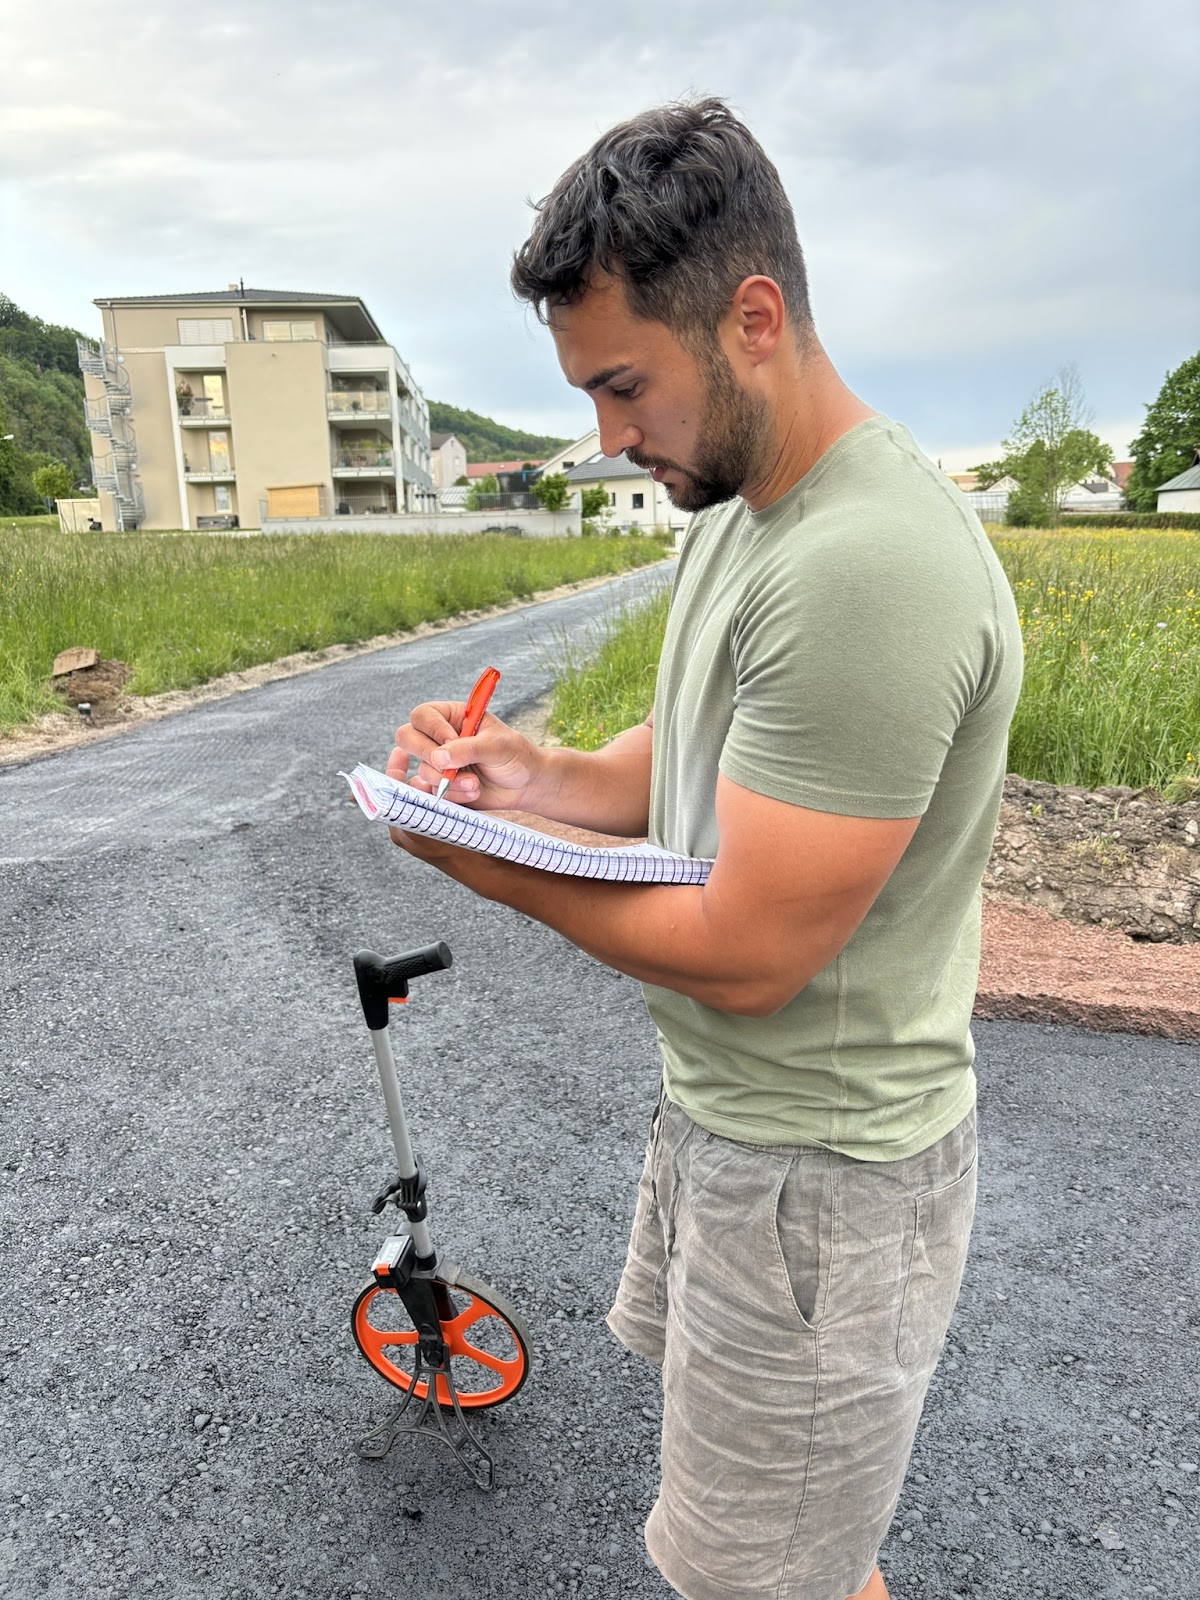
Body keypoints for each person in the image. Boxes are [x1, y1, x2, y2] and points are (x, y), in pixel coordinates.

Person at [388, 98, 1023, 1600]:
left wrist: (484, 860)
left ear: (752, 320)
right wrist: (538, 774)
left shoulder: (870, 565)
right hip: (738, 1136)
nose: (610, 438)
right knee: (797, 1563)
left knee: (763, 1579)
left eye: (624, 386)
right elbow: (693, 752)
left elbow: (748, 955)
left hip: (823, 1179)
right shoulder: (746, 510)